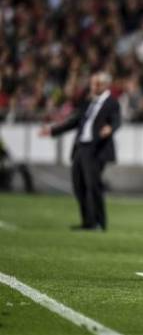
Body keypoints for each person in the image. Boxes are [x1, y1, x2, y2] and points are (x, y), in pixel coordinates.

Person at [39, 71, 121, 231]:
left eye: (97, 84)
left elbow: (117, 120)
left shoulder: (112, 102)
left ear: (105, 85)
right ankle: (87, 222)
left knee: (93, 186)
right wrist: (52, 131)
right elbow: (74, 121)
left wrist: (110, 128)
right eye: (92, 84)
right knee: (79, 186)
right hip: (81, 147)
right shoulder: (89, 101)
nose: (93, 87)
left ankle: (99, 222)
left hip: (97, 148)